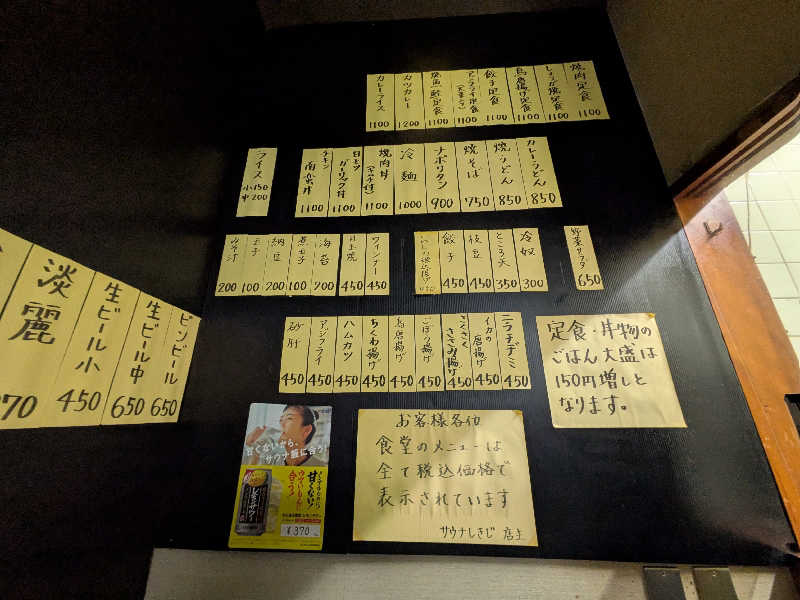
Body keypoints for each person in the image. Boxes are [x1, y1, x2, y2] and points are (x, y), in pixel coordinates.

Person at [245, 405, 327, 467]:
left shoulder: (320, 467)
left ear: (306, 430)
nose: (281, 424)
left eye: (289, 418)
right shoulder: (272, 461)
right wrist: (256, 450)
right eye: (281, 420)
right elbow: (250, 482)